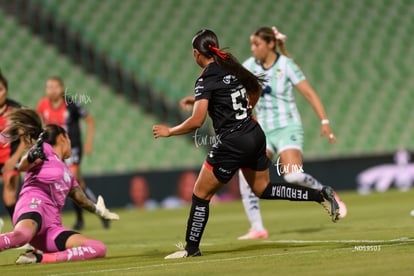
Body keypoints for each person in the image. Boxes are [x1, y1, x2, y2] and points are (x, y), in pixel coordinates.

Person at [153, 29, 340, 259]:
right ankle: (319, 194)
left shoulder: (206, 78)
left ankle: (191, 250)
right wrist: (246, 111)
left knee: (200, 195)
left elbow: (197, 120)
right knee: (263, 189)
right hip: (255, 134)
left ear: (195, 53)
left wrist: (170, 131)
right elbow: (256, 88)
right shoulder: (232, 66)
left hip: (232, 143)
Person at [235, 26, 348, 240]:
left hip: (287, 128)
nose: (253, 48)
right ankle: (257, 227)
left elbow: (309, 92)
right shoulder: (249, 66)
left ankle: (327, 194)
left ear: (270, 44)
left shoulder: (286, 65)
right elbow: (230, 90)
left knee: (293, 175)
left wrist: (324, 121)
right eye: (251, 44)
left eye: (256, 44)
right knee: (245, 174)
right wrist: (198, 100)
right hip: (263, 131)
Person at [0, 109, 119, 264]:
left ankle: (39, 258)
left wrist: (99, 210)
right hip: (33, 206)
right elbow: (24, 165)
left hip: (51, 229)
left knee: (98, 248)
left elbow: (81, 200)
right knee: (22, 237)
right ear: (64, 138)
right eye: (70, 140)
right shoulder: (45, 150)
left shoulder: (68, 175)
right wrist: (31, 155)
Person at [37, 77, 108, 230]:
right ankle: (95, 213)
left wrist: (88, 142)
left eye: (55, 87)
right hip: (54, 150)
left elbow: (90, 120)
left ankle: (89, 216)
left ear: (62, 89)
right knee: (77, 184)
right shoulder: (43, 105)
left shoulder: (71, 104)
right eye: (49, 87)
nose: (52, 90)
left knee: (71, 179)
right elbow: (42, 126)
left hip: (72, 148)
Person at [0, 70, 25, 221]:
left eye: (0, 89)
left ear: (6, 90)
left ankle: (25, 233)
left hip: (10, 158)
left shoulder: (15, 110)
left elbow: (26, 138)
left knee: (9, 197)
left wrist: (14, 159)